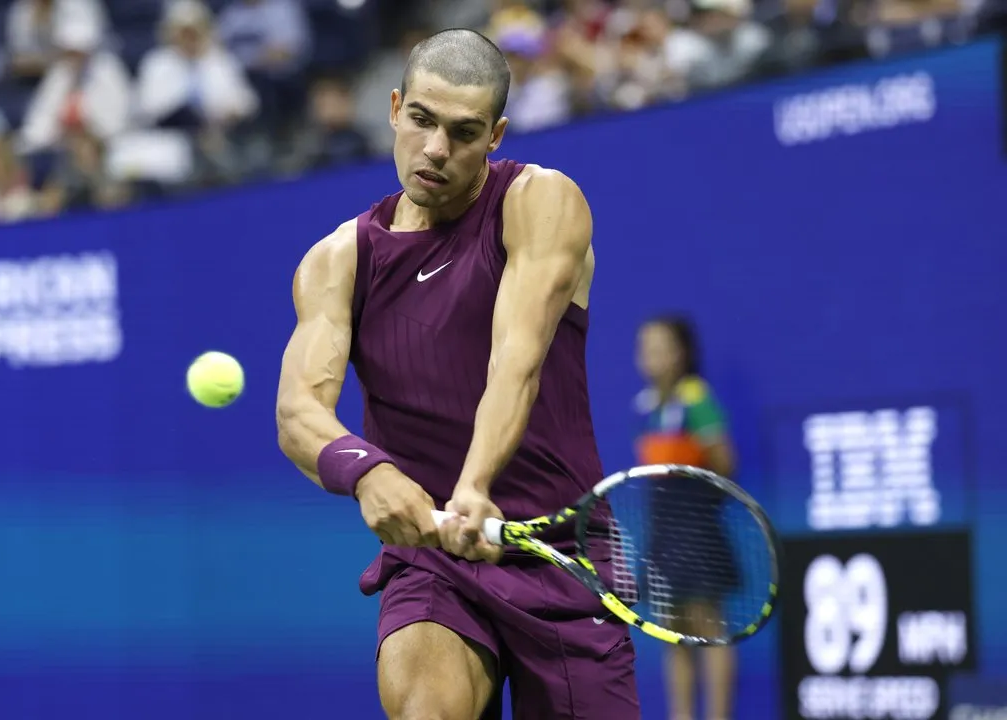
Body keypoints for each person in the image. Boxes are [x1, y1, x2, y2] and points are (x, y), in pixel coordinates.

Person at [276, 28, 640, 720]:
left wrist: (475, 484)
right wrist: (369, 472)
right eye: (421, 120)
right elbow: (299, 412)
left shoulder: (541, 201)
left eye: (464, 132)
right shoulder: (338, 260)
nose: (436, 150)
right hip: (432, 559)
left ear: (496, 134)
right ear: (393, 107)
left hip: (560, 554)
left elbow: (517, 357)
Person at [633, 315, 738, 720]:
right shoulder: (643, 407)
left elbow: (725, 463)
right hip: (663, 534)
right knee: (672, 631)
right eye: (644, 348)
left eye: (660, 347)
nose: (649, 357)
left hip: (699, 531)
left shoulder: (697, 400)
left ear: (681, 353)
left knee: (709, 628)